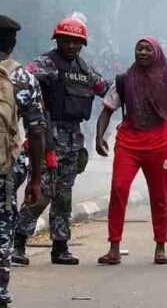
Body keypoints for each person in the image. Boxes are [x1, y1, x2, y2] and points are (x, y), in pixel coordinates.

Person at [14, 17, 109, 266]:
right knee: (42, 193)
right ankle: (18, 241)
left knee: (63, 196)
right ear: (57, 40)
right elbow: (21, 80)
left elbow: (105, 89)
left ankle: (60, 247)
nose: (71, 46)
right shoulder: (45, 64)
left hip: (73, 139)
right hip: (47, 138)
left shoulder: (84, 69)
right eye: (66, 40)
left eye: (76, 42)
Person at [94, 36, 167, 265]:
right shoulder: (123, 79)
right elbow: (107, 110)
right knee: (119, 189)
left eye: (147, 49)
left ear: (157, 53)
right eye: (138, 49)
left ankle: (160, 245)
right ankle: (114, 247)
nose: (142, 53)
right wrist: (99, 136)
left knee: (159, 195)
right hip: (128, 143)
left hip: (158, 143)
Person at [0, 15, 45, 308]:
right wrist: (36, 179)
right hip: (5, 168)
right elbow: (37, 131)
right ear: (13, 43)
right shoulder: (22, 78)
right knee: (2, 229)